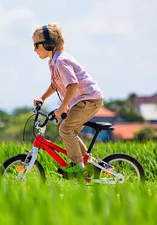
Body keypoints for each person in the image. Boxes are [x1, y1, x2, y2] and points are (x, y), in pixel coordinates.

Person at [32, 23, 104, 174]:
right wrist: (42, 98)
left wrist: (62, 107)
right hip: (82, 101)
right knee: (69, 131)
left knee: (65, 129)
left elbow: (72, 85)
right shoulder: (53, 62)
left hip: (88, 100)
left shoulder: (61, 61)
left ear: (48, 44)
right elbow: (56, 84)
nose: (34, 49)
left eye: (36, 45)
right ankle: (88, 164)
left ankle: (78, 165)